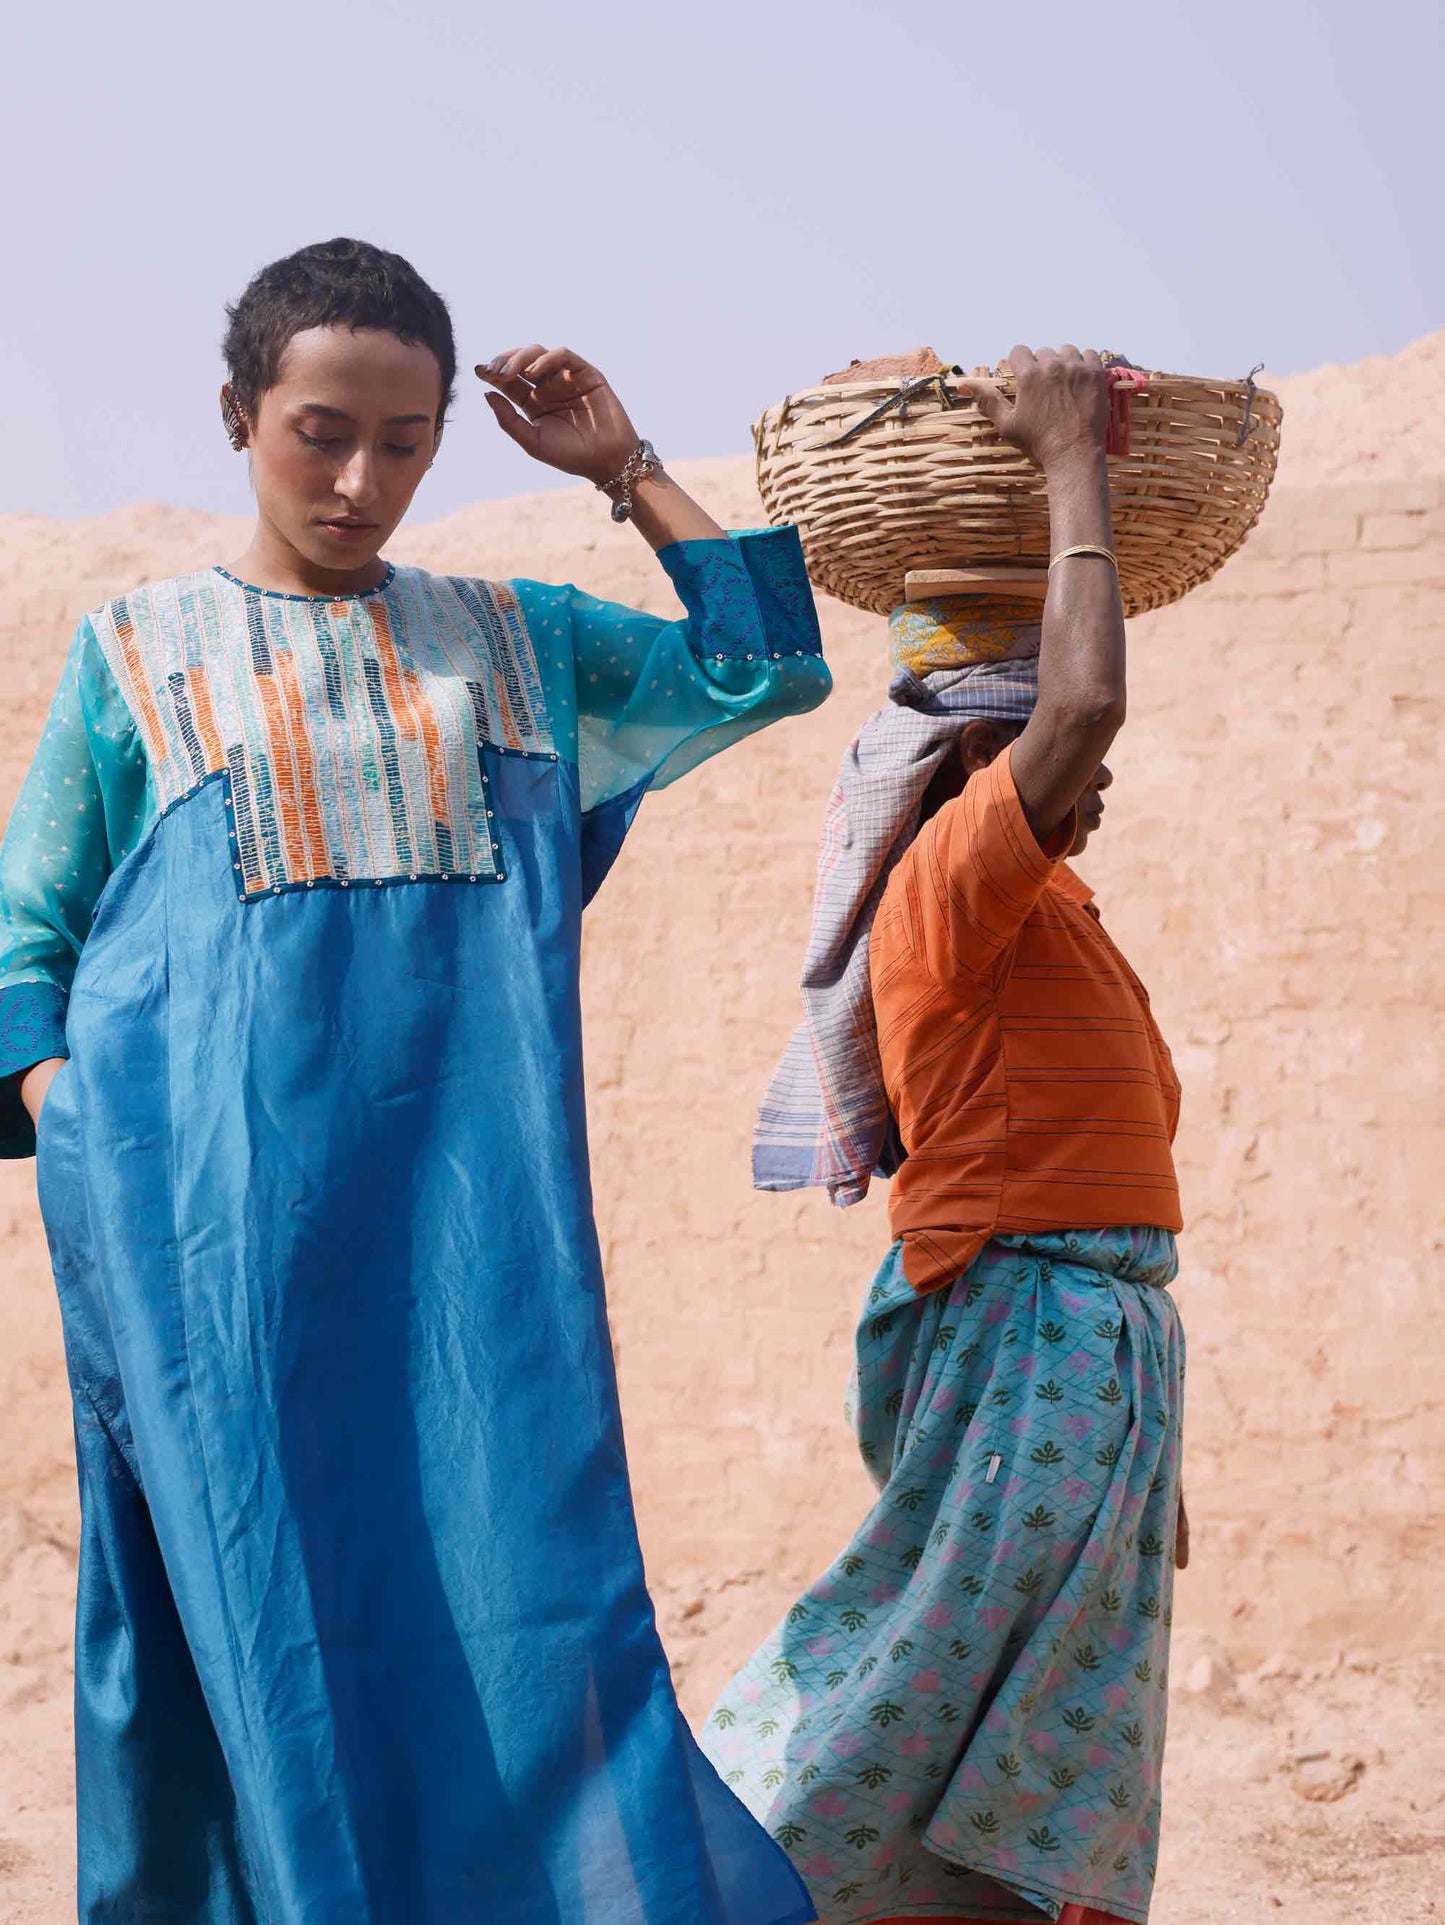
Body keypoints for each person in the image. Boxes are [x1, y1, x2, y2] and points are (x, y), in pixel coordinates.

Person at [0, 237, 829, 1924]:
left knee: (524, 1573)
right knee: (244, 1602)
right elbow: (27, 935)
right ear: (237, 415)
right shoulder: (140, 651)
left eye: (406, 438)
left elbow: (766, 667)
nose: (361, 478)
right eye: (320, 430)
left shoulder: (512, 647)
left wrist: (631, 473)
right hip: (209, 1250)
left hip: (470, 1237)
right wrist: (81, 1135)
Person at [711, 346, 1187, 1925]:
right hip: (1025, 1332)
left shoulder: (1044, 897)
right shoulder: (954, 873)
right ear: (979, 751)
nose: (1089, 774)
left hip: (1091, 1349)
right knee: (929, 1696)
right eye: (1053, 753)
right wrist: (1070, 464)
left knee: (1025, 1727)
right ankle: (704, 1868)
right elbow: (1090, 695)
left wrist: (1142, 1447)